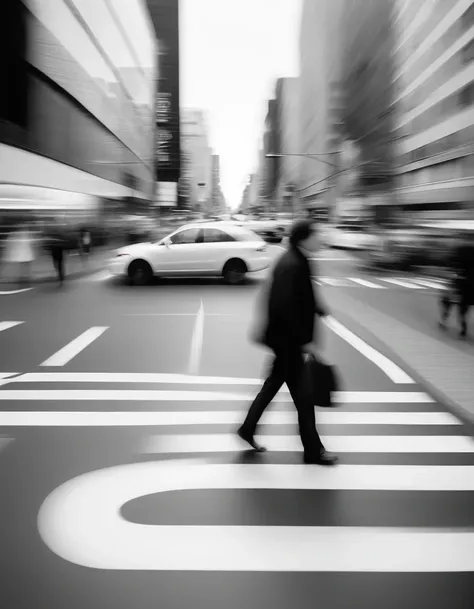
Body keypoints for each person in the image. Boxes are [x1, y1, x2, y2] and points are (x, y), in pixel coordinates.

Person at [238, 219, 338, 465]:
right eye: (318, 234)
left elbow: (300, 295)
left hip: (285, 341)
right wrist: (304, 341)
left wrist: (318, 307)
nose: (322, 238)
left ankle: (248, 429)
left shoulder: (296, 259)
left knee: (273, 386)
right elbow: (284, 306)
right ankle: (313, 450)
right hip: (288, 342)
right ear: (305, 237)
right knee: (304, 398)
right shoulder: (293, 263)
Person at [439, 232, 474, 338]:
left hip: (460, 281)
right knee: (465, 305)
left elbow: (450, 263)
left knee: (448, 300)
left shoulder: (459, 249)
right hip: (472, 282)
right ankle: (462, 326)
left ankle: (444, 321)